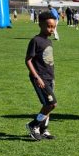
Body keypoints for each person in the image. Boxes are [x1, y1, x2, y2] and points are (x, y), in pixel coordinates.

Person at [25, 12, 58, 141]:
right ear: (40, 24)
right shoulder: (35, 41)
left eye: (53, 27)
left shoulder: (49, 41)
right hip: (40, 78)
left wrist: (52, 77)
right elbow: (28, 60)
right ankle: (33, 125)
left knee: (47, 104)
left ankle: (43, 130)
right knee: (51, 104)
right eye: (49, 26)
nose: (52, 29)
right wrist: (37, 77)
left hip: (50, 78)